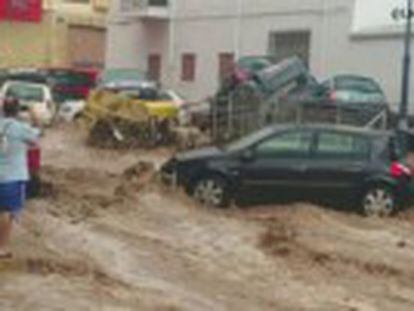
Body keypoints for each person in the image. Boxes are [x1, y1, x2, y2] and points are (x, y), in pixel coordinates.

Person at [0, 97, 40, 259]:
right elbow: (37, 136)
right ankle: (1, 247)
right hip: (12, 177)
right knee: (6, 213)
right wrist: (33, 113)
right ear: (17, 111)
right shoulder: (21, 128)